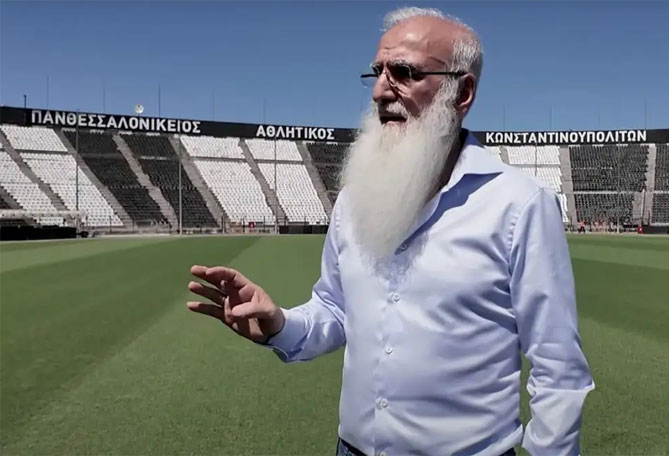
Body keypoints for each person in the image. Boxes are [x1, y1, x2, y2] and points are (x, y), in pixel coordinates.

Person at [187, 7, 594, 456]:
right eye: (378, 72)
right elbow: (336, 307)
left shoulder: (518, 204)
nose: (381, 91)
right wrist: (278, 323)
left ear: (462, 93)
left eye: (404, 73)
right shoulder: (353, 199)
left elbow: (558, 370)